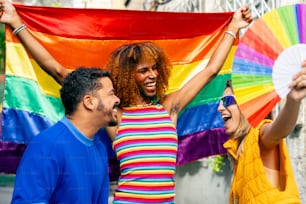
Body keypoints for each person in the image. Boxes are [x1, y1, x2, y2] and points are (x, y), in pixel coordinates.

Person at [0, 1, 253, 203]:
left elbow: (210, 70)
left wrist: (233, 27)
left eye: (155, 69)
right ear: (129, 76)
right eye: (144, 70)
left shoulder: (169, 108)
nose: (152, 75)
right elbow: (58, 71)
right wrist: (16, 22)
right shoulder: (115, 117)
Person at [11, 67, 120, 204]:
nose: (117, 99)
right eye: (111, 94)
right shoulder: (47, 145)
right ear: (89, 102)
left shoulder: (99, 147)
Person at [217, 62, 306, 204]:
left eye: (227, 101)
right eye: (220, 102)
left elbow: (278, 131)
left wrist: (293, 100)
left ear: (246, 104)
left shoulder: (258, 136)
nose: (220, 108)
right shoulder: (240, 153)